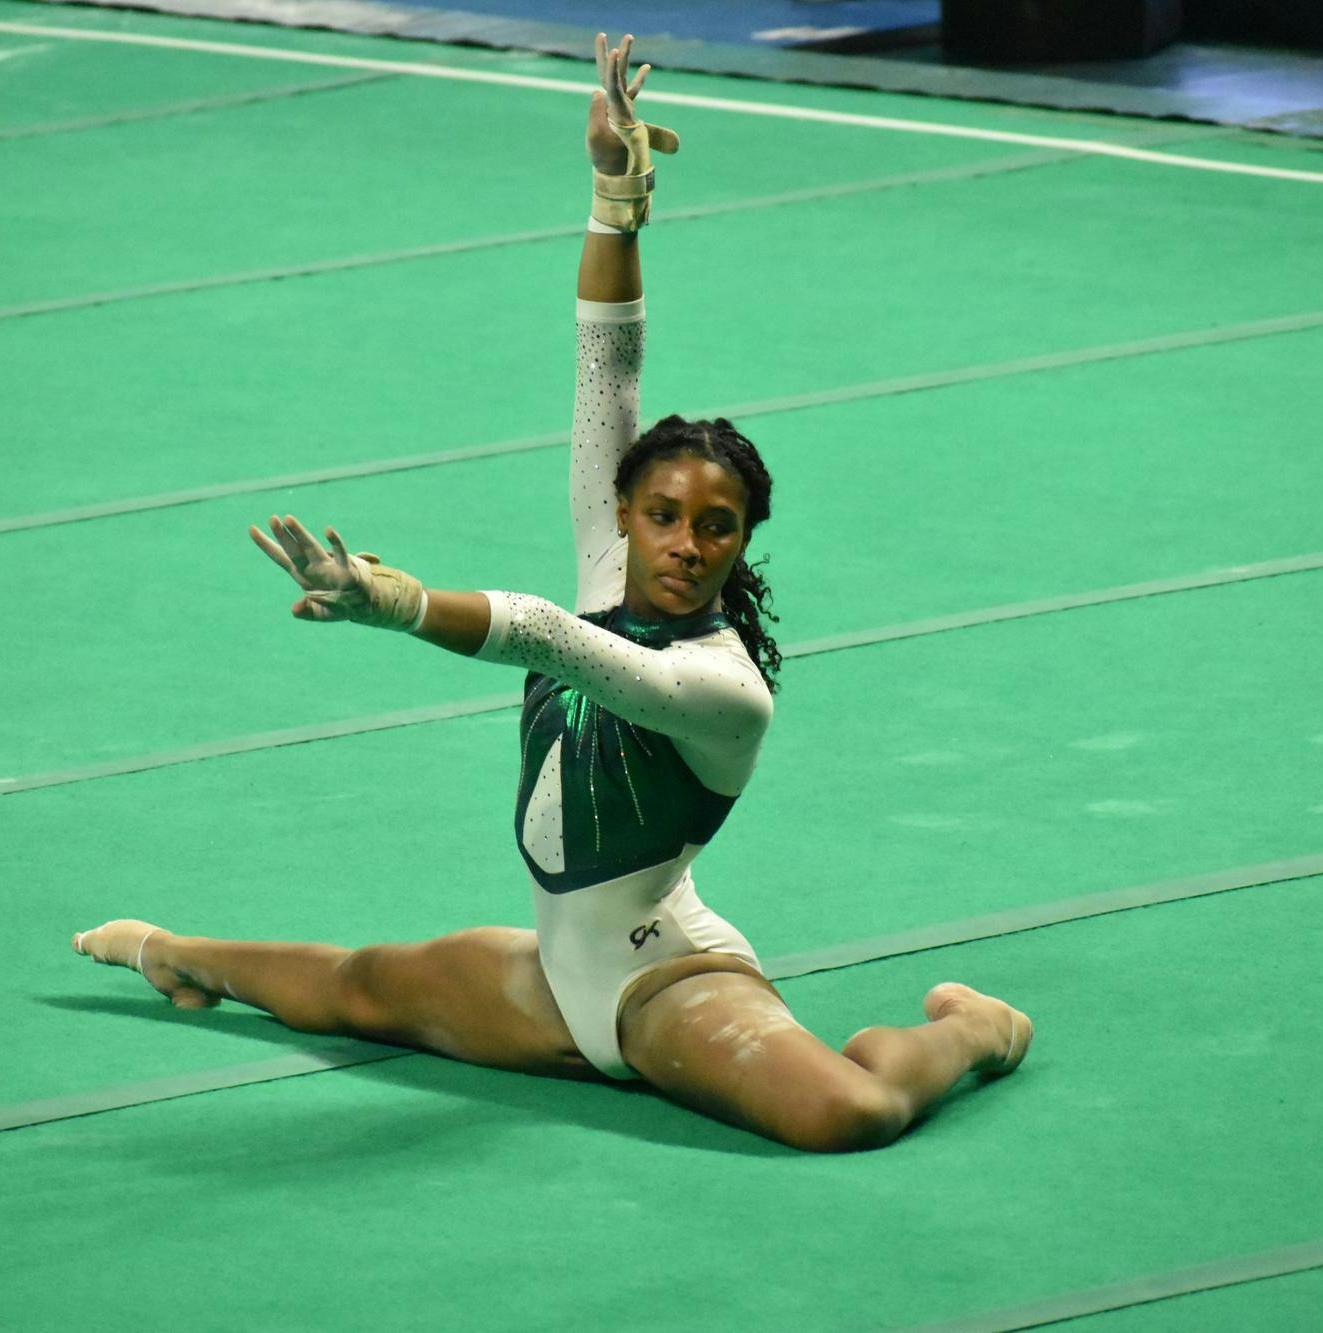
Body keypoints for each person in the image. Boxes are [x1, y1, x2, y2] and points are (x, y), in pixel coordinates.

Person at [72, 32, 1031, 1153]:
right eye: (660, 513)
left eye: (712, 527)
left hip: (664, 981)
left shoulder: (721, 689)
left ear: (741, 543)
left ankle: (972, 1031)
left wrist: (394, 602)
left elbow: (547, 637)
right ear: (622, 511)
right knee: (353, 987)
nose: (680, 542)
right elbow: (604, 370)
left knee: (849, 1109)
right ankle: (173, 954)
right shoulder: (608, 560)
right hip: (551, 976)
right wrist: (612, 203)